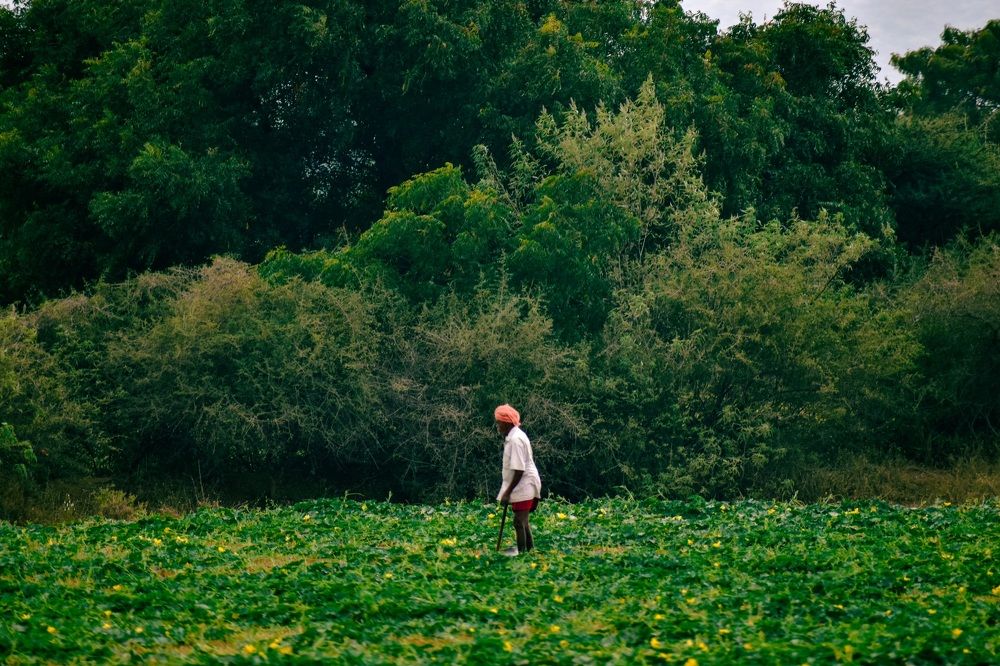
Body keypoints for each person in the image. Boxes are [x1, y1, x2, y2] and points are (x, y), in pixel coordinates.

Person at [494, 403, 541, 553]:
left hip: (525, 484)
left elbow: (519, 470)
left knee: (519, 522)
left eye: (499, 422)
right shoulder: (514, 436)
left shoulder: (516, 440)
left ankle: (522, 555)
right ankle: (530, 552)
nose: (497, 426)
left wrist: (507, 492)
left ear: (507, 422)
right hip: (522, 484)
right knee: (523, 522)